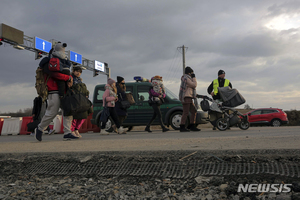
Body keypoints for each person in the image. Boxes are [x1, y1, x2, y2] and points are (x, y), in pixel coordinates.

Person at [34, 45, 76, 141]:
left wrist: (70, 78)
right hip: (53, 90)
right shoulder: (48, 62)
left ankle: (67, 132)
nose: (63, 52)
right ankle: (40, 129)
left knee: (67, 111)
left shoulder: (63, 62)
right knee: (52, 112)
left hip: (63, 90)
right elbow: (55, 74)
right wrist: (68, 78)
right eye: (61, 50)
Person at [70, 66, 91, 138]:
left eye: (80, 72)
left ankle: (76, 129)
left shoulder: (79, 80)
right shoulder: (71, 79)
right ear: (73, 71)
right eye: (77, 71)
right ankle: (73, 130)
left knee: (83, 115)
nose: (78, 73)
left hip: (81, 99)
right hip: (75, 99)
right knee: (75, 116)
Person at [178, 66, 201, 132]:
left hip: (189, 97)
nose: (192, 74)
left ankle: (192, 125)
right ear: (189, 73)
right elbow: (194, 85)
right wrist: (194, 77)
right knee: (186, 112)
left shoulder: (187, 78)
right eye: (192, 73)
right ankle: (182, 126)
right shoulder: (186, 78)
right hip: (186, 97)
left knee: (194, 111)